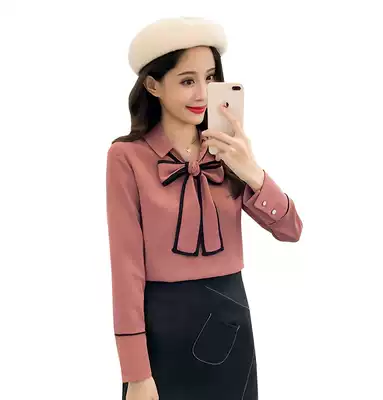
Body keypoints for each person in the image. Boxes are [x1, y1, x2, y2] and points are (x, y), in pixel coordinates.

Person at [106, 16, 303, 400]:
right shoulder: (125, 157)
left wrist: (252, 172)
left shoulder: (229, 152)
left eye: (211, 78)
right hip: (161, 328)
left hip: (231, 323)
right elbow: (126, 270)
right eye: (187, 81)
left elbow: (290, 230)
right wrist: (136, 373)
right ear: (153, 85)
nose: (202, 93)